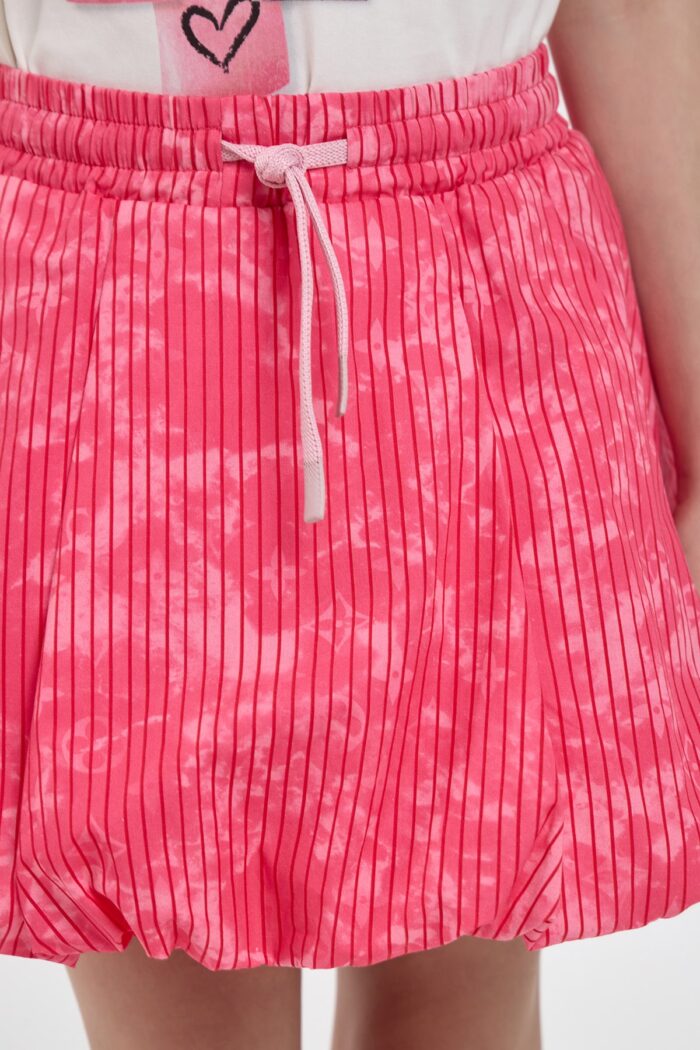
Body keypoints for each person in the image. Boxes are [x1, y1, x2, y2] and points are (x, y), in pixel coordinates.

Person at [0, 1, 698, 1048]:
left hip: (477, 260)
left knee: (460, 1007)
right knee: (170, 975)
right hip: (113, 266)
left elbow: (626, 10)